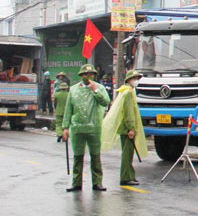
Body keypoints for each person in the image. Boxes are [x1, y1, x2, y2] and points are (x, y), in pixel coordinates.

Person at [62, 64, 110, 192]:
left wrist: (95, 91)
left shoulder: (99, 88)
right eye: (85, 74)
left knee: (95, 156)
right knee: (78, 157)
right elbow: (68, 110)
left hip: (94, 128)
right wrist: (65, 127)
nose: (88, 77)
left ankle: (97, 182)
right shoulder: (73, 90)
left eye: (91, 74)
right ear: (81, 75)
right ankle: (76, 182)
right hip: (77, 128)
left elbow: (105, 102)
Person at [101, 70, 148, 186]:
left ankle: (130, 175)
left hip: (126, 128)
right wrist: (131, 128)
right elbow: (128, 112)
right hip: (127, 129)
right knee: (127, 155)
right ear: (129, 80)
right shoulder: (127, 93)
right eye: (135, 78)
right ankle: (125, 177)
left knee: (129, 153)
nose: (136, 81)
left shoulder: (127, 91)